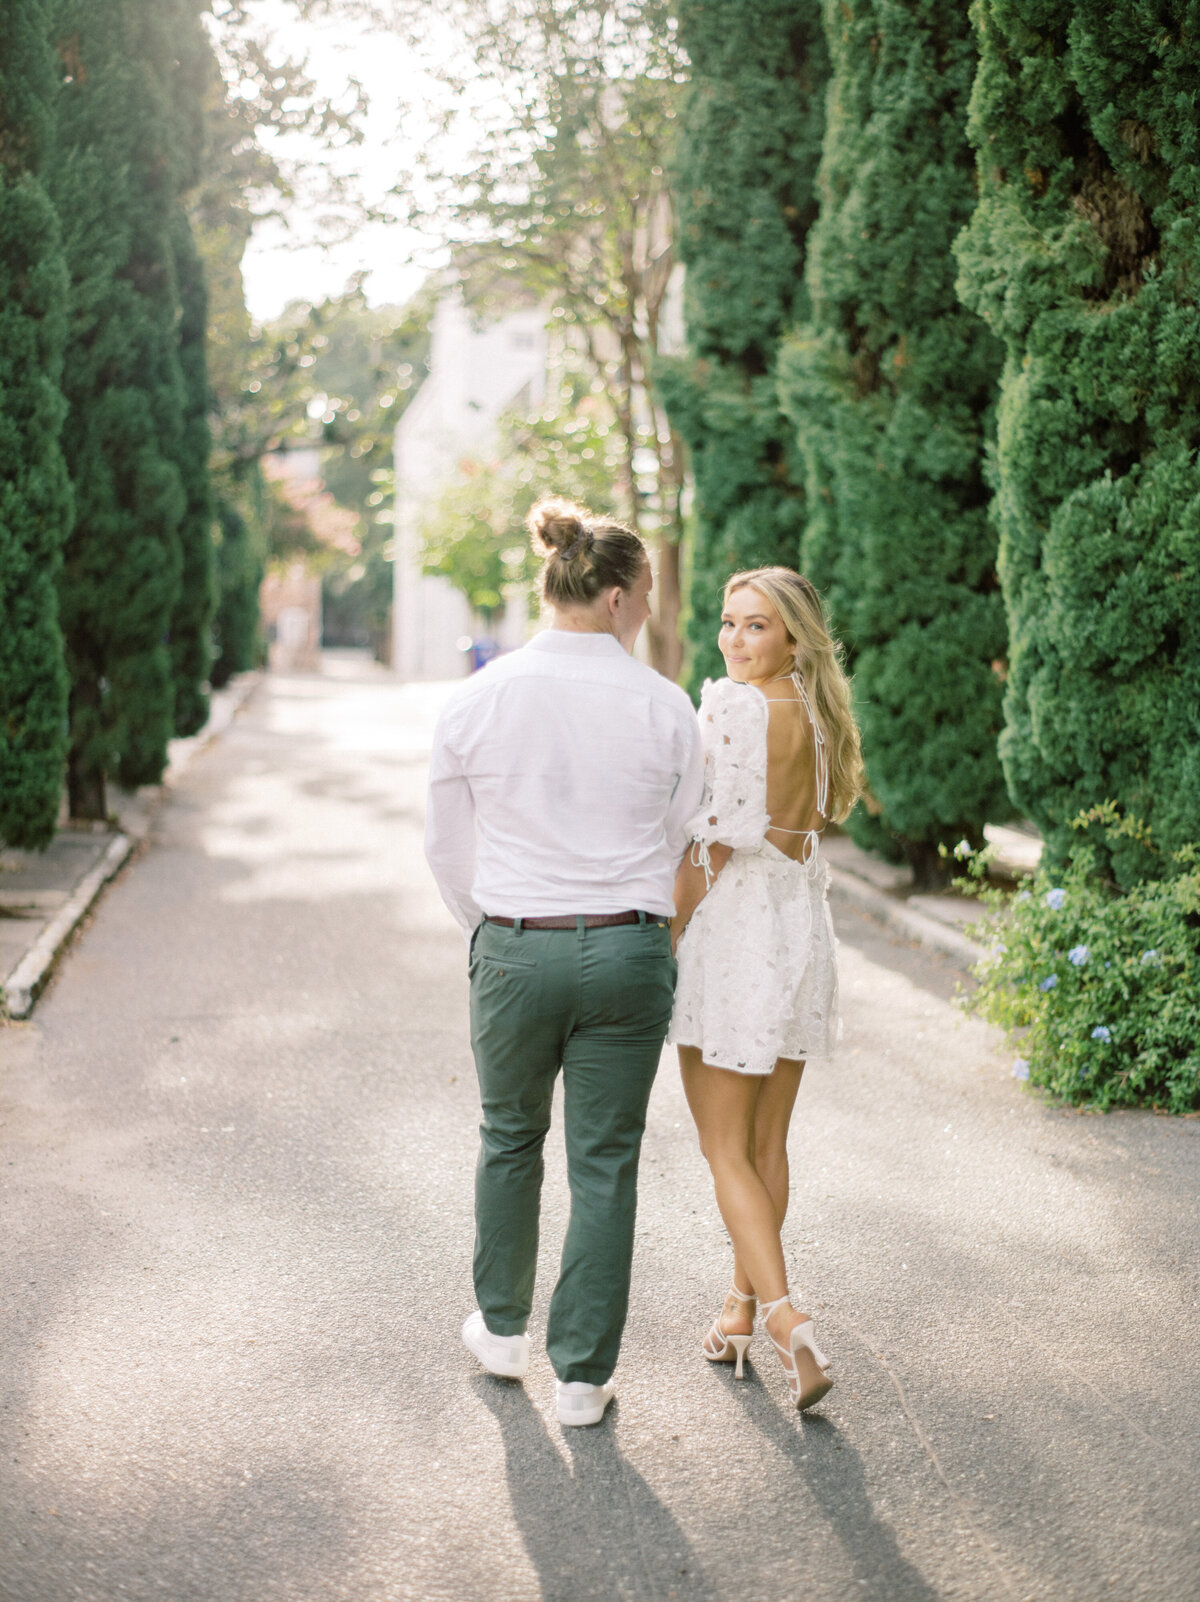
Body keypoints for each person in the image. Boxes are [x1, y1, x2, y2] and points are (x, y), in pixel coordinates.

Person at [425, 497, 704, 1427]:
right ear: (618, 597)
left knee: (509, 1138)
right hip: (628, 946)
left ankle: (502, 1334)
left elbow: (444, 847)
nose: (653, 613)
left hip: (516, 943)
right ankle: (582, 1378)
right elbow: (680, 838)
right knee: (606, 1162)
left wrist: (496, 925)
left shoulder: (478, 697)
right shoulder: (667, 708)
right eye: (650, 596)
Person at [667, 567, 863, 1411]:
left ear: (792, 636)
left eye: (756, 627)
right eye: (728, 624)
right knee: (766, 1146)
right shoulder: (819, 717)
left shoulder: (737, 708)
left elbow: (716, 845)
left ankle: (786, 1317)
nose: (735, 642)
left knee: (722, 1148)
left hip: (736, 929)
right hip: (798, 931)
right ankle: (739, 1310)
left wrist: (663, 931)